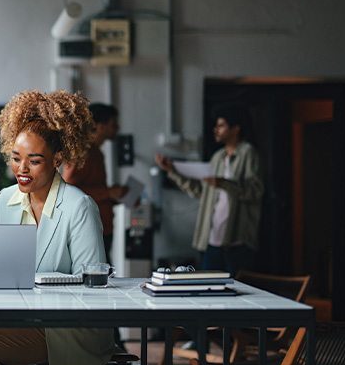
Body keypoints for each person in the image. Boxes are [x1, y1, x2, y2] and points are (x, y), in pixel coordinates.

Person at [0, 90, 115, 365]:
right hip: (21, 319)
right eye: (16, 158)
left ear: (58, 159)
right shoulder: (7, 199)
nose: (21, 170)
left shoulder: (79, 206)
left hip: (67, 326)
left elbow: (93, 286)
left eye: (34, 161)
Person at [154, 104, 264, 276]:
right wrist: (172, 172)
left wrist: (224, 184)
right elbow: (201, 191)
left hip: (237, 240)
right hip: (213, 238)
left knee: (238, 292)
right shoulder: (218, 157)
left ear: (235, 129)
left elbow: (255, 190)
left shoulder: (248, 154)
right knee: (207, 289)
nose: (216, 129)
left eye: (221, 125)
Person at [62, 103, 128, 261]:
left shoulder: (96, 152)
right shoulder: (82, 153)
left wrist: (114, 196)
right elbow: (68, 189)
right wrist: (107, 192)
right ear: (100, 127)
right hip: (90, 230)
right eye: (113, 124)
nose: (117, 129)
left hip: (102, 228)